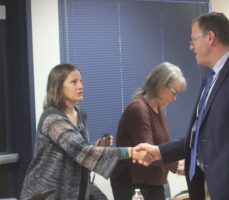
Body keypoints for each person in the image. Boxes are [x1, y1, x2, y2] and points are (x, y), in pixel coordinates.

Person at [135, 12, 229, 200]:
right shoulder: (209, 80)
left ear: (210, 37)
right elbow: (199, 136)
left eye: (193, 39)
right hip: (210, 186)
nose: (190, 46)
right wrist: (159, 151)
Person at [20, 63, 150, 200]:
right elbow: (80, 150)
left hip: (75, 190)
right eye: (73, 82)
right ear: (58, 87)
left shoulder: (80, 114)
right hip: (47, 193)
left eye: (80, 81)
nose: (81, 86)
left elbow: (80, 150)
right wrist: (131, 152)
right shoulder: (52, 119)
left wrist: (97, 146)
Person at [110, 62, 187, 200]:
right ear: (160, 84)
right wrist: (176, 166)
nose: (174, 99)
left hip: (153, 181)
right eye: (173, 93)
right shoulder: (138, 109)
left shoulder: (159, 110)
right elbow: (149, 153)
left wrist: (178, 160)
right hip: (133, 183)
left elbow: (162, 146)